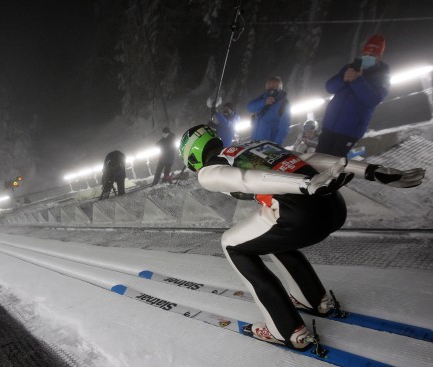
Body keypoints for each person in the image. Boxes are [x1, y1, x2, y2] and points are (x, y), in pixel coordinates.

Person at [179, 124, 425, 350]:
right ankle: (313, 298)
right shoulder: (251, 144)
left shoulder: (208, 171)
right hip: (334, 208)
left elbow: (243, 180)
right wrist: (371, 171)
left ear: (192, 157)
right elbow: (309, 159)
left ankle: (285, 329)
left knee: (232, 245)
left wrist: (305, 184)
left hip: (300, 215)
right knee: (266, 234)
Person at [316, 34, 390, 157]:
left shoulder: (383, 76)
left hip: (350, 130)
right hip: (330, 124)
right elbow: (329, 88)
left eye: (372, 55)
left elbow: (373, 99)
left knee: (334, 165)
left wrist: (357, 80)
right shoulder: (350, 67)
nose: (367, 57)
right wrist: (343, 79)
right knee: (318, 160)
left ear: (380, 57)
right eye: (365, 54)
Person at [247, 76, 290, 145]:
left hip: (269, 144)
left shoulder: (284, 103)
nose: (271, 89)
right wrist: (263, 102)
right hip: (254, 141)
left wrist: (277, 145)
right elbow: (250, 108)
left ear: (280, 88)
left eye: (274, 86)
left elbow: (284, 127)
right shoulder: (262, 97)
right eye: (269, 87)